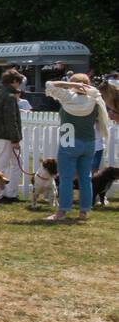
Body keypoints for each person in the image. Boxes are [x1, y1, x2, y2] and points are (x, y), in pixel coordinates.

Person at [45, 74, 109, 222]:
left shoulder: (67, 97)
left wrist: (69, 85)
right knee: (86, 179)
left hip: (69, 142)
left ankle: (62, 211)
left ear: (73, 85)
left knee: (66, 178)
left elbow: (50, 84)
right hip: (89, 143)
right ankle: (84, 212)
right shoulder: (95, 99)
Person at [0, 70, 24, 204]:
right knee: (5, 165)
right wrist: (15, 139)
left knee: (9, 163)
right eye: (18, 82)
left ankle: (7, 193)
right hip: (6, 135)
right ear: (14, 81)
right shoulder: (10, 96)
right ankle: (0, 195)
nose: (19, 85)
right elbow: (10, 119)